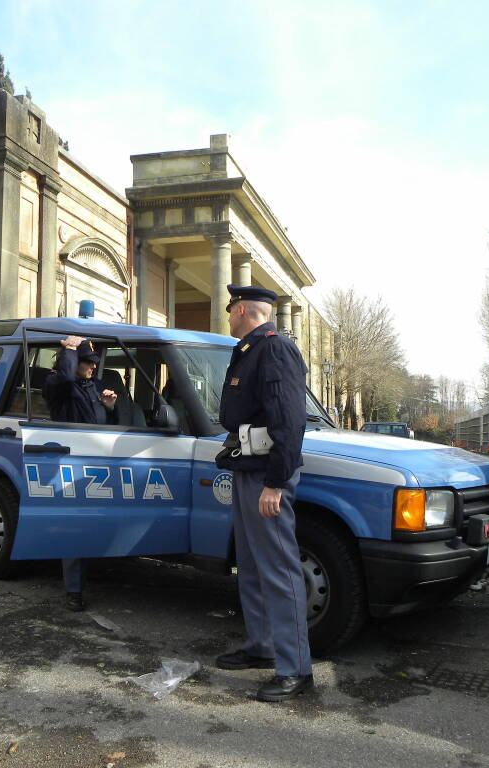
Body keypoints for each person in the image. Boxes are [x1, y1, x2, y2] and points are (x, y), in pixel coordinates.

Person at [213, 284, 313, 702]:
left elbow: (289, 421)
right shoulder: (249, 349)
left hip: (265, 475)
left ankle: (295, 670)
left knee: (278, 570)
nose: (228, 315)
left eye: (231, 309)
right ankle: (262, 647)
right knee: (252, 567)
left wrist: (276, 481)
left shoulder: (274, 349)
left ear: (242, 310)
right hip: (246, 468)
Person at [42, 335, 118, 612]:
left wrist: (109, 408)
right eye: (88, 362)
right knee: (74, 527)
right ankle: (74, 590)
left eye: (94, 363)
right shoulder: (59, 385)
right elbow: (63, 377)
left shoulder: (92, 387)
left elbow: (99, 424)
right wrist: (69, 350)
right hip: (72, 462)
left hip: (96, 463)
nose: (93, 367)